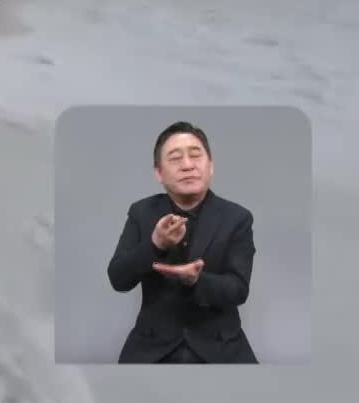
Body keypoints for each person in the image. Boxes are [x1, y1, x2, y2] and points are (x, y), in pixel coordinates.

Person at [106, 120, 258, 363]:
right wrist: (155, 244)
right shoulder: (141, 212)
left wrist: (197, 280)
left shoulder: (237, 218)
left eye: (196, 156)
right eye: (175, 158)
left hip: (220, 347)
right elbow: (118, 278)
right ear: (159, 173)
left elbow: (238, 289)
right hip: (152, 346)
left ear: (211, 167)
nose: (187, 165)